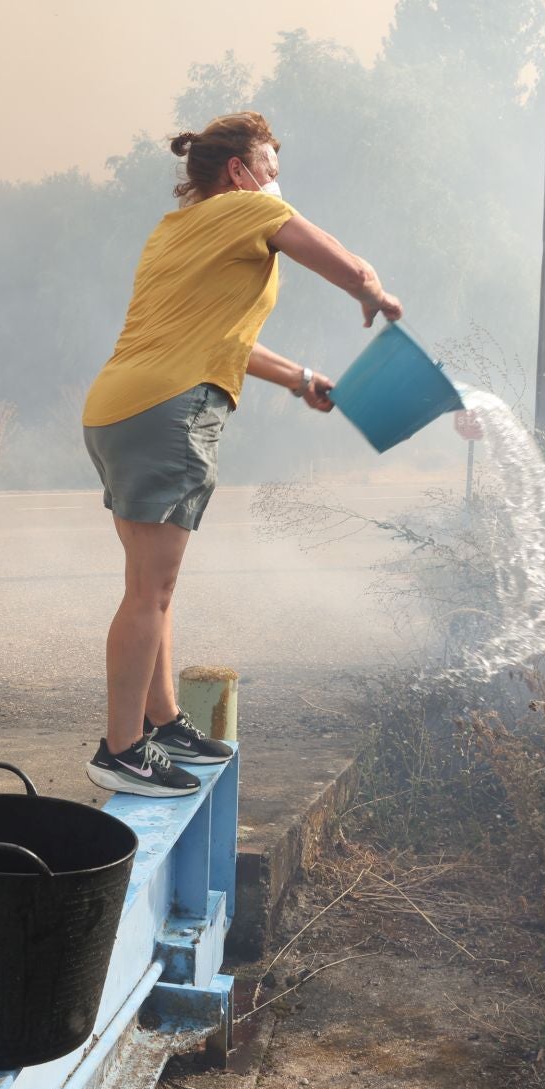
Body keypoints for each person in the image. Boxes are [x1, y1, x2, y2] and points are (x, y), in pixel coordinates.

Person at [82, 112, 403, 797]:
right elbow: (342, 261)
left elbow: (221, 338)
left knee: (150, 584)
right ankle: (121, 748)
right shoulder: (253, 207)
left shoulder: (174, 232)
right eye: (270, 168)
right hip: (169, 412)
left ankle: (162, 720)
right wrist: (371, 289)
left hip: (114, 411)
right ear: (239, 170)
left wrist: (301, 379)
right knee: (150, 590)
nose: (277, 184)